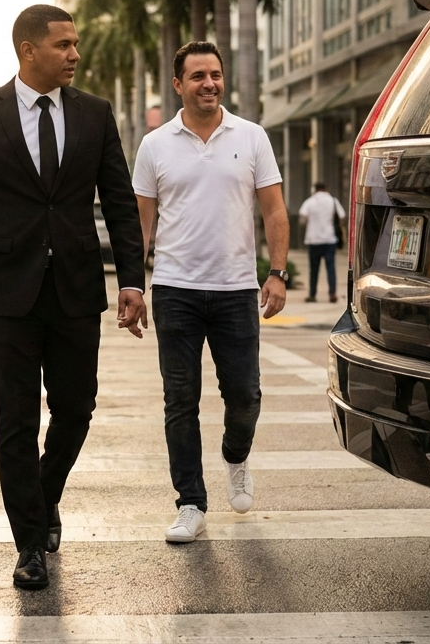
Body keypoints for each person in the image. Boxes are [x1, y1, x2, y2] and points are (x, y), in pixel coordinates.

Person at [0, 4, 147, 590]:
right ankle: (30, 545)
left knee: (77, 408)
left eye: (76, 44)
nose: (75, 54)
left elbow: (121, 204)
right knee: (17, 423)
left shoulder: (95, 115)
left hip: (76, 289)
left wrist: (131, 280)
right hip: (7, 292)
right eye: (64, 45)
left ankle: (44, 498)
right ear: (29, 50)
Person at [133, 41, 290, 544]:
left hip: (235, 289)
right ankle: (190, 503)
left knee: (244, 395)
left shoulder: (251, 136)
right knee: (180, 401)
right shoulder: (155, 145)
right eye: (197, 76)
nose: (209, 83)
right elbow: (141, 224)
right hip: (175, 289)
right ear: (178, 84)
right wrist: (134, 286)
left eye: (215, 74)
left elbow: (274, 211)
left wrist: (278, 272)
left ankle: (236, 456)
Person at [298, 183, 346, 303]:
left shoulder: (309, 201)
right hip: (329, 239)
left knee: (314, 269)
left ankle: (312, 294)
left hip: (313, 240)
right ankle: (332, 294)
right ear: (326, 189)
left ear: (315, 190)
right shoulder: (333, 201)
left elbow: (302, 217)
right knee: (331, 268)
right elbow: (342, 215)